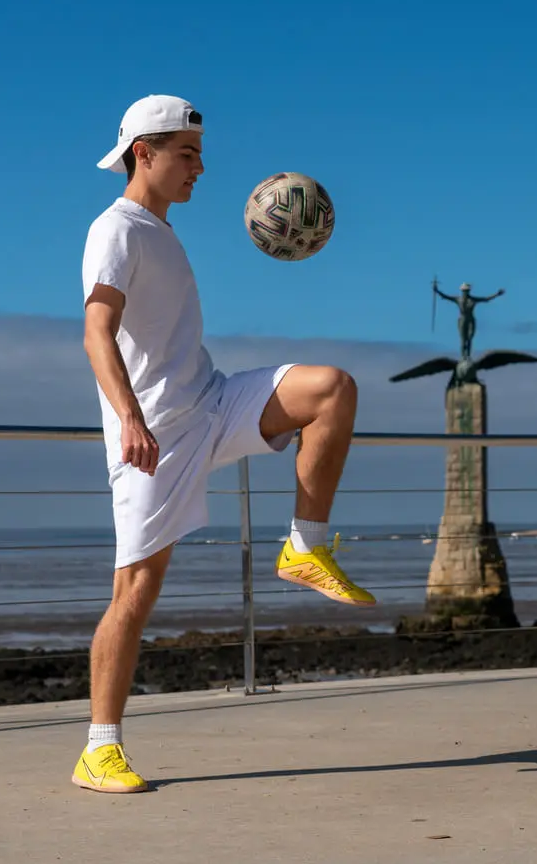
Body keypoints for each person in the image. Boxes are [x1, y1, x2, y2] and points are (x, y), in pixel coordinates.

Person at [72, 94, 374, 794]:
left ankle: (305, 545)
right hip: (157, 435)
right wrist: (130, 419)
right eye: (188, 154)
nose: (201, 169)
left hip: (211, 401)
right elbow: (95, 331)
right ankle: (99, 748)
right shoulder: (115, 229)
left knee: (330, 388)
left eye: (200, 155)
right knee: (134, 593)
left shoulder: (161, 231)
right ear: (143, 152)